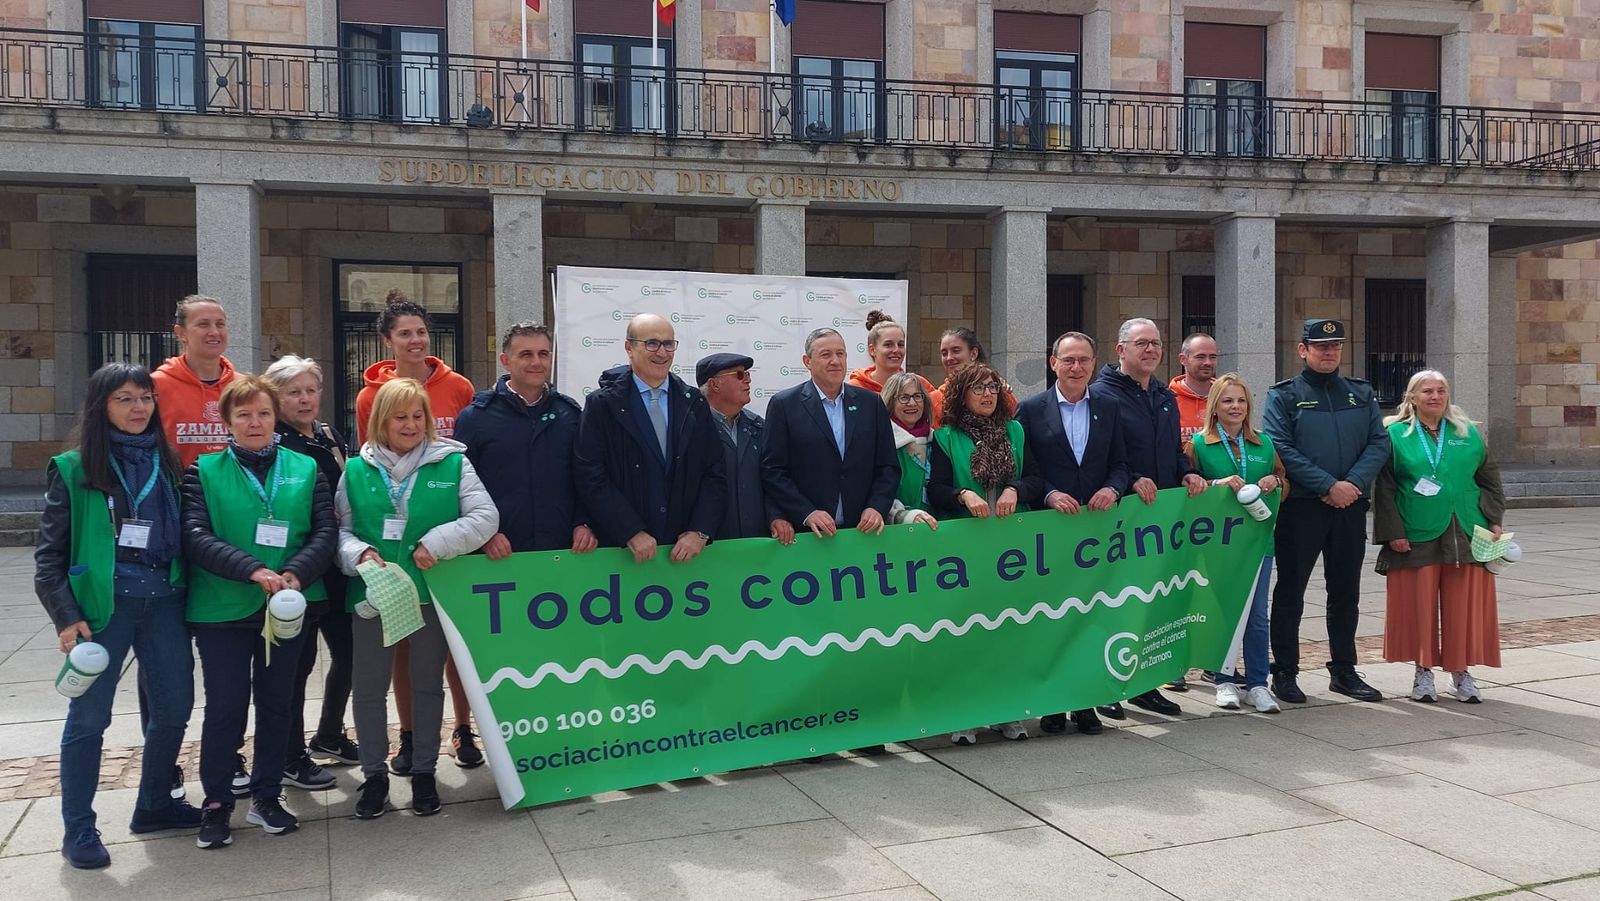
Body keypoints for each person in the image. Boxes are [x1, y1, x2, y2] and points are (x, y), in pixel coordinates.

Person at [35, 363, 199, 869]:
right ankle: (78, 828)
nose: (138, 408)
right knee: (89, 718)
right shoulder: (73, 469)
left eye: (145, 398)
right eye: (124, 399)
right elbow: (48, 558)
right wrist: (66, 616)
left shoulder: (168, 464)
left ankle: (154, 804)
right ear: (101, 406)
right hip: (103, 609)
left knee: (174, 707)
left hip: (165, 600)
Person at [182, 376, 337, 850]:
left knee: (277, 703)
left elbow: (325, 531)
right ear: (227, 421)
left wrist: (295, 572)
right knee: (226, 707)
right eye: (244, 415)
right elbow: (195, 534)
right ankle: (216, 802)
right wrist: (251, 570)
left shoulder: (306, 468)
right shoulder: (203, 470)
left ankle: (267, 795)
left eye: (264, 413)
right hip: (223, 609)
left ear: (275, 417)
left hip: (288, 606)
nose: (255, 423)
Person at [337, 378, 499, 819]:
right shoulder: (355, 470)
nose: (410, 425)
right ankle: (374, 776)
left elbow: (485, 517)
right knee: (369, 689)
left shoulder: (453, 462)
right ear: (380, 421)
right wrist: (358, 553)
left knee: (427, 684)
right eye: (400, 417)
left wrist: (438, 542)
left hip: (431, 591)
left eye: (417, 416)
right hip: (373, 594)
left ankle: (425, 771)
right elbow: (341, 532)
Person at [352, 292, 483, 773]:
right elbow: (370, 464)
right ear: (387, 341)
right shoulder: (370, 397)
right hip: (394, 550)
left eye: (421, 331)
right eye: (404, 333)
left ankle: (462, 727)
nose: (415, 340)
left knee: (452, 645)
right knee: (405, 646)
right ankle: (409, 735)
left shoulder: (459, 386)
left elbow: (469, 460)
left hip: (447, 539)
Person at [1263, 319, 1391, 704]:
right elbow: (1280, 446)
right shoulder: (1284, 395)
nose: (1329, 352)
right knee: (1291, 592)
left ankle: (1344, 671)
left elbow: (1378, 443)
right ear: (1303, 350)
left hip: (1349, 507)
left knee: (1345, 592)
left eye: (1335, 345)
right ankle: (1285, 672)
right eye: (1320, 346)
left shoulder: (1359, 393)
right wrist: (1327, 485)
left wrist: (1351, 484)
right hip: (1302, 508)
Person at [1015, 331, 1130, 736]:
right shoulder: (1031, 410)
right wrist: (1048, 494)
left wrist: (1113, 488)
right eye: (1068, 360)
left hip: (1097, 536)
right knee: (1052, 620)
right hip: (1051, 536)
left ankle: (1085, 702)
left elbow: (1120, 464)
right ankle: (1052, 704)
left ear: (1094, 364)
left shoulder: (1109, 408)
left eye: (1083, 360)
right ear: (1053, 364)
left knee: (1092, 618)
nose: (1076, 367)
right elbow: (1024, 470)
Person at [1092, 318, 1207, 711]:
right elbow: (1101, 457)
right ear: (1121, 349)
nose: (1150, 350)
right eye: (1141, 343)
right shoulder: (1102, 395)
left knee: (1152, 603)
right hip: (1121, 518)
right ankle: (1106, 688)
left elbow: (1172, 451)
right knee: (1116, 605)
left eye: (1155, 343)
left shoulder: (1164, 396)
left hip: (1160, 522)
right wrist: (1132, 480)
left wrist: (1186, 471)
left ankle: (1145, 682)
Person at [926, 362, 1043, 744]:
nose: (988, 394)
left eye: (993, 387)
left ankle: (1008, 712)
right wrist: (963, 494)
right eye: (978, 388)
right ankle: (965, 715)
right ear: (962, 395)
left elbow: (1035, 479)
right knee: (967, 634)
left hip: (1011, 551)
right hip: (966, 551)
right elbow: (935, 490)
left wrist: (1015, 489)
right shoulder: (945, 438)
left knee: (1009, 632)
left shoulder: (1016, 431)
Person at [1373, 370, 1505, 704]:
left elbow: (1489, 479)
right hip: (1416, 531)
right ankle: (1423, 673)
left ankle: (1461, 672)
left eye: (1441, 390)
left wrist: (1494, 519)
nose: (1435, 396)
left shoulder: (1467, 431)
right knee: (1418, 606)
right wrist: (1393, 532)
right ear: (1412, 397)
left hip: (1466, 529)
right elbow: (1384, 488)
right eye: (1427, 391)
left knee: (1464, 607)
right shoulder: (1395, 434)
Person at [261, 355, 359, 790]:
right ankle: (290, 755)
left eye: (311, 390)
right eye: (293, 392)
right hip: (296, 569)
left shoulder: (328, 434)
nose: (304, 399)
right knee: (296, 666)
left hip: (337, 563)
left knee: (350, 654)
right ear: (276, 397)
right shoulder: (273, 443)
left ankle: (330, 734)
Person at [575, 314, 728, 562]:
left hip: (686, 554)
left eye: (668, 344)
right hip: (624, 554)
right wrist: (630, 530)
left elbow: (715, 472)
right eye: (652, 343)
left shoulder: (693, 402)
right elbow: (590, 474)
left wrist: (700, 531)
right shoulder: (602, 404)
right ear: (629, 347)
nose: (662, 352)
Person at [1184, 372, 1286, 714]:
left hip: (1258, 542)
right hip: (1218, 543)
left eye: (1241, 400)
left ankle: (1258, 684)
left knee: (1256, 615)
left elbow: (1284, 481)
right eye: (1227, 400)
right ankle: (1223, 679)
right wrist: (1216, 484)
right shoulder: (1200, 444)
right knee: (1224, 610)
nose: (1235, 406)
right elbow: (1186, 490)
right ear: (1215, 406)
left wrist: (1274, 481)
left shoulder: (1264, 444)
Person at [457, 322, 598, 556]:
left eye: (543, 354)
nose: (536, 362)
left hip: (563, 551)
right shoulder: (475, 418)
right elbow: (461, 486)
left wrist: (583, 522)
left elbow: (587, 476)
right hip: (498, 555)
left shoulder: (570, 415)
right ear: (505, 361)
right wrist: (483, 533)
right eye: (526, 355)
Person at [763, 328, 901, 539]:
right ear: (807, 362)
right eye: (826, 354)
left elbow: (888, 466)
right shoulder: (784, 405)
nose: (835, 361)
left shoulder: (871, 403)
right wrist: (806, 512)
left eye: (840, 353)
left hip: (863, 532)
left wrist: (876, 506)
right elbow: (773, 470)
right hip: (809, 535)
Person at [697, 352, 797, 543]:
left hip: (758, 543)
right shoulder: (692, 428)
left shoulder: (759, 426)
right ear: (714, 384)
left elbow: (773, 479)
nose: (748, 380)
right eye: (739, 375)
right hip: (708, 545)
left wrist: (776, 515)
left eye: (748, 374)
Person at [153, 295, 238, 469]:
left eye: (220, 324)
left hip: (236, 485)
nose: (214, 332)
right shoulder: (156, 385)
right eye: (203, 324)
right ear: (181, 333)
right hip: (177, 484)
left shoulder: (243, 387)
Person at [848, 310, 939, 417]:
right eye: (888, 345)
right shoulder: (854, 388)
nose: (896, 350)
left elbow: (935, 418)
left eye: (900, 345)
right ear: (872, 350)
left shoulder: (919, 384)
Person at [879, 371, 940, 529]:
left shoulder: (938, 441)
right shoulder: (881, 444)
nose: (912, 403)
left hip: (937, 531)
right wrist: (901, 515)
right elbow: (873, 491)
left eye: (917, 396)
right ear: (890, 402)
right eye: (904, 397)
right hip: (895, 533)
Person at [929, 326, 1016, 417]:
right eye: (944, 353)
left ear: (973, 353)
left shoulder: (1002, 393)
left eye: (956, 351)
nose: (949, 358)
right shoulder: (934, 401)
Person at [1169, 333, 1219, 441]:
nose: (1208, 362)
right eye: (1200, 357)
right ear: (1183, 359)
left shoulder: (1225, 397)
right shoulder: (1167, 400)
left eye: (1212, 357)